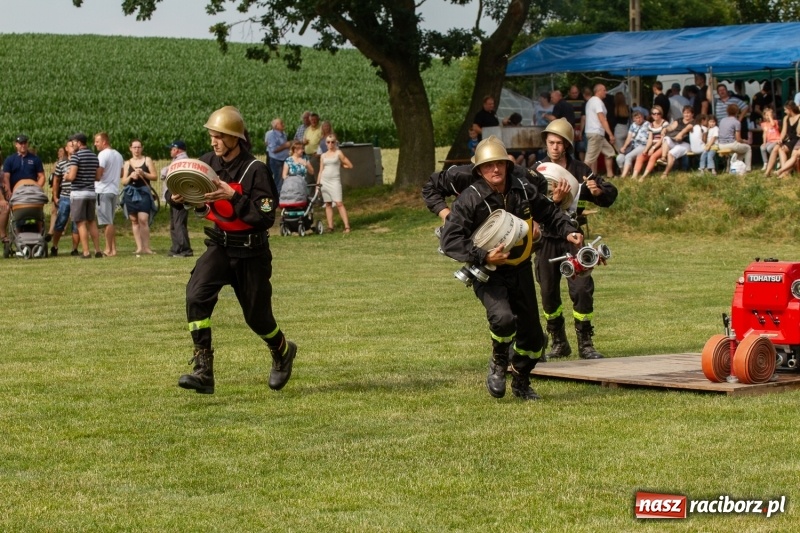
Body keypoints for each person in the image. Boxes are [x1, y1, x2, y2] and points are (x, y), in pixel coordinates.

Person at [439, 135, 583, 400]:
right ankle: (498, 360)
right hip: (488, 273)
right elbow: (450, 240)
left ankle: (521, 379)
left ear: (507, 165)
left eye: (500, 164)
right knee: (503, 319)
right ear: (479, 170)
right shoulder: (469, 199)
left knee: (535, 340)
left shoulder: (523, 189)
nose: (495, 169)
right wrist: (484, 255)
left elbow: (549, 213)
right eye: (488, 165)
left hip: (521, 269)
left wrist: (568, 230)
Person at [171, 105, 297, 395]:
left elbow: (265, 217)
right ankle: (203, 370)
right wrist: (177, 197)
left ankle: (282, 351)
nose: (213, 142)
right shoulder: (207, 163)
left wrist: (233, 196)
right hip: (220, 246)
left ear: (234, 138)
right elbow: (185, 190)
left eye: (219, 137)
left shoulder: (256, 171)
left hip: (252, 253)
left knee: (258, 318)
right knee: (196, 296)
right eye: (212, 136)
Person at [530, 118, 617, 361]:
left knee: (581, 289)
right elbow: (527, 204)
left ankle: (586, 343)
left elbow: (609, 194)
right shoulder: (536, 171)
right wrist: (553, 202)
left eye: (559, 143)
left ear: (567, 145)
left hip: (574, 238)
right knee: (548, 292)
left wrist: (598, 192)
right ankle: (558, 342)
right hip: (546, 238)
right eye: (551, 142)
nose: (554, 147)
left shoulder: (580, 170)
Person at [1, 134, 45, 244]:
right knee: (12, 213)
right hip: (17, 194)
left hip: (32, 192)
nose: (23, 145)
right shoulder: (10, 160)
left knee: (39, 213)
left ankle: (40, 235)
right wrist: (9, 191)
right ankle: (14, 236)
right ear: (16, 145)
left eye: (25, 143)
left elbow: (41, 176)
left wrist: (37, 188)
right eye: (20, 143)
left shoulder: (35, 159)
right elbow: (6, 177)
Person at [64, 133, 102, 258]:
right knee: (91, 221)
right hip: (91, 192)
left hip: (78, 193)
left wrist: (66, 176)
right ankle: (98, 250)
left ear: (79, 143)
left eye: (74, 142)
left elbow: (72, 176)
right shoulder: (94, 156)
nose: (73, 145)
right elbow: (98, 177)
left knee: (80, 223)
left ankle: (86, 252)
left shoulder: (76, 156)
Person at [122, 139, 157, 255]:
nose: (136, 150)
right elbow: (123, 181)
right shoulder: (127, 163)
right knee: (134, 221)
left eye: (138, 147)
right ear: (130, 149)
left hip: (144, 192)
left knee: (143, 219)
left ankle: (147, 247)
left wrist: (144, 174)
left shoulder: (147, 160)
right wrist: (131, 176)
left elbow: (154, 177)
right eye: (134, 147)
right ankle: (139, 247)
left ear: (142, 148)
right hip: (131, 193)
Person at [161, 140, 193, 257]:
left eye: (172, 149)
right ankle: (176, 248)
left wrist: (164, 171)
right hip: (175, 196)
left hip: (179, 196)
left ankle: (185, 249)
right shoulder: (178, 160)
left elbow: (166, 172)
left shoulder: (181, 161)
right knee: (175, 223)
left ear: (177, 150)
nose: (170, 151)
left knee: (179, 223)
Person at [94, 132, 124, 257]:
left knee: (107, 222)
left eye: (97, 141)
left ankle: (107, 249)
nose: (95, 144)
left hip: (103, 190)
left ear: (104, 142)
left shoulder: (102, 154)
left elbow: (99, 174)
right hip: (114, 190)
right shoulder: (118, 155)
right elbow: (121, 173)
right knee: (110, 221)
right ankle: (114, 249)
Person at [317, 134, 353, 233]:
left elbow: (350, 165)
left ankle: (347, 226)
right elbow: (320, 170)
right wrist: (318, 184)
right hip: (324, 181)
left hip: (334, 181)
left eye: (332, 142)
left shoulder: (338, 153)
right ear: (326, 143)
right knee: (328, 204)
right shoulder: (323, 155)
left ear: (335, 142)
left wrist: (341, 165)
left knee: (339, 203)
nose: (330, 144)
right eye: (328, 142)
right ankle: (330, 226)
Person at [50, 142, 80, 257]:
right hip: (65, 196)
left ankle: (75, 248)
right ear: (66, 149)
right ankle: (54, 246)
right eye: (70, 146)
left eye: (74, 145)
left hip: (77, 196)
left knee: (76, 223)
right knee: (60, 221)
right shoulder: (61, 163)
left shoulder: (79, 161)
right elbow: (56, 180)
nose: (73, 147)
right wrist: (55, 196)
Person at [583, 84, 616, 178]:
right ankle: (580, 177)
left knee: (609, 152)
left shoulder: (590, 101)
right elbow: (602, 119)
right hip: (596, 133)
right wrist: (610, 134)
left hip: (594, 132)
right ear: (598, 91)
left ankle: (610, 175)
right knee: (589, 159)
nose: (606, 92)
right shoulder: (597, 102)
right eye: (604, 90)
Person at [632, 105, 667, 181]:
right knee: (640, 156)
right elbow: (650, 139)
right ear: (651, 115)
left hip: (663, 145)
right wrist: (646, 149)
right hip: (652, 145)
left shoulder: (665, 123)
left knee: (653, 157)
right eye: (654, 113)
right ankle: (634, 177)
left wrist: (653, 148)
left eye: (658, 113)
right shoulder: (651, 125)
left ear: (661, 114)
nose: (656, 115)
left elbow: (663, 138)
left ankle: (643, 176)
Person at [660, 105, 695, 178]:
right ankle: (663, 158)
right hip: (674, 140)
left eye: (688, 113)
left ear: (692, 114)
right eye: (685, 113)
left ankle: (665, 173)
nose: (686, 115)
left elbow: (687, 128)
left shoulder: (694, 122)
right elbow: (671, 127)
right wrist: (665, 129)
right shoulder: (679, 120)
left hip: (685, 143)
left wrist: (680, 134)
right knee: (666, 138)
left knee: (671, 153)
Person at [718, 103, 752, 173]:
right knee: (748, 148)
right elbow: (738, 139)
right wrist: (745, 141)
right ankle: (748, 168)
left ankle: (735, 167)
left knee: (740, 151)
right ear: (737, 112)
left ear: (727, 111)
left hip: (720, 145)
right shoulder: (736, 122)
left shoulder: (722, 120)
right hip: (731, 144)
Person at [616, 110, 650, 178]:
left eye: (640, 117)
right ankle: (625, 173)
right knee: (619, 158)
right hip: (632, 145)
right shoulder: (633, 125)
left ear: (643, 117)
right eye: (636, 118)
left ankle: (623, 176)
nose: (638, 119)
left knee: (628, 156)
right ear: (633, 119)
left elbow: (650, 138)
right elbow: (629, 138)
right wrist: (624, 147)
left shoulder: (648, 124)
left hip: (642, 145)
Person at [771, 102, 800, 178]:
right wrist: (780, 139)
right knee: (780, 149)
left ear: (790, 109)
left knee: (795, 154)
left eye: (785, 110)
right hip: (793, 140)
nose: (784, 111)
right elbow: (784, 131)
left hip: (797, 139)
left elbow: (798, 132)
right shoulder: (786, 118)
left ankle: (782, 171)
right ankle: (783, 172)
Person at [265, 117, 291, 197]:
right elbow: (273, 149)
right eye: (281, 123)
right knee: (278, 180)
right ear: (276, 126)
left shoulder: (284, 134)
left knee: (284, 179)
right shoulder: (272, 135)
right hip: (276, 161)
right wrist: (285, 146)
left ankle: (282, 196)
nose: (283, 124)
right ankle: (276, 197)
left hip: (284, 160)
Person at [47, 146, 67, 239]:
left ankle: (63, 229)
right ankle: (51, 230)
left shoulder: (68, 163)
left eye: (61, 151)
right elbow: (52, 177)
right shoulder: (56, 163)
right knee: (54, 210)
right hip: (56, 189)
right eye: (59, 151)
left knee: (64, 210)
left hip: (64, 189)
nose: (59, 153)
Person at [760, 107, 782, 173]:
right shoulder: (763, 124)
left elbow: (772, 124)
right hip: (769, 141)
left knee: (769, 148)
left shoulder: (775, 122)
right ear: (764, 116)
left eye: (770, 115)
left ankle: (777, 158)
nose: (768, 117)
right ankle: (765, 163)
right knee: (762, 148)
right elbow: (764, 134)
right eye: (767, 115)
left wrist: (770, 117)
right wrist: (764, 142)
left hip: (776, 140)